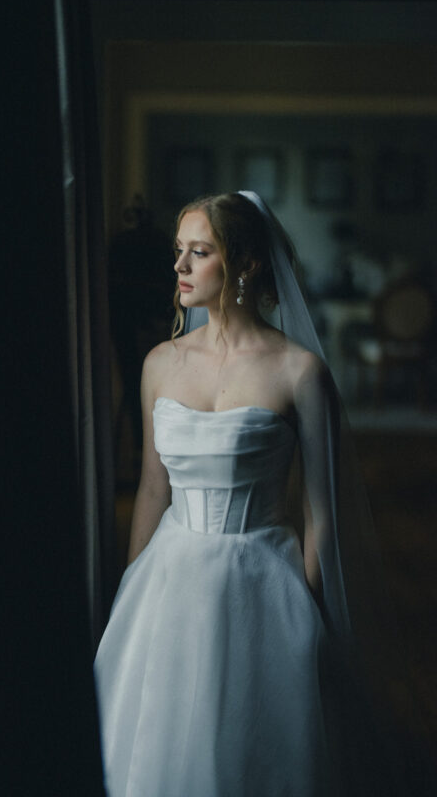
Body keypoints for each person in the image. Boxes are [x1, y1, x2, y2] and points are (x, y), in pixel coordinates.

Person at [94, 192, 429, 796]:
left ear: (244, 264)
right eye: (179, 252)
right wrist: (130, 591)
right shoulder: (159, 364)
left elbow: (320, 511)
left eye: (199, 253)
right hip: (168, 578)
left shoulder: (300, 372)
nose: (180, 269)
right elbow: (151, 487)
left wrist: (301, 604)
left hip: (263, 575)